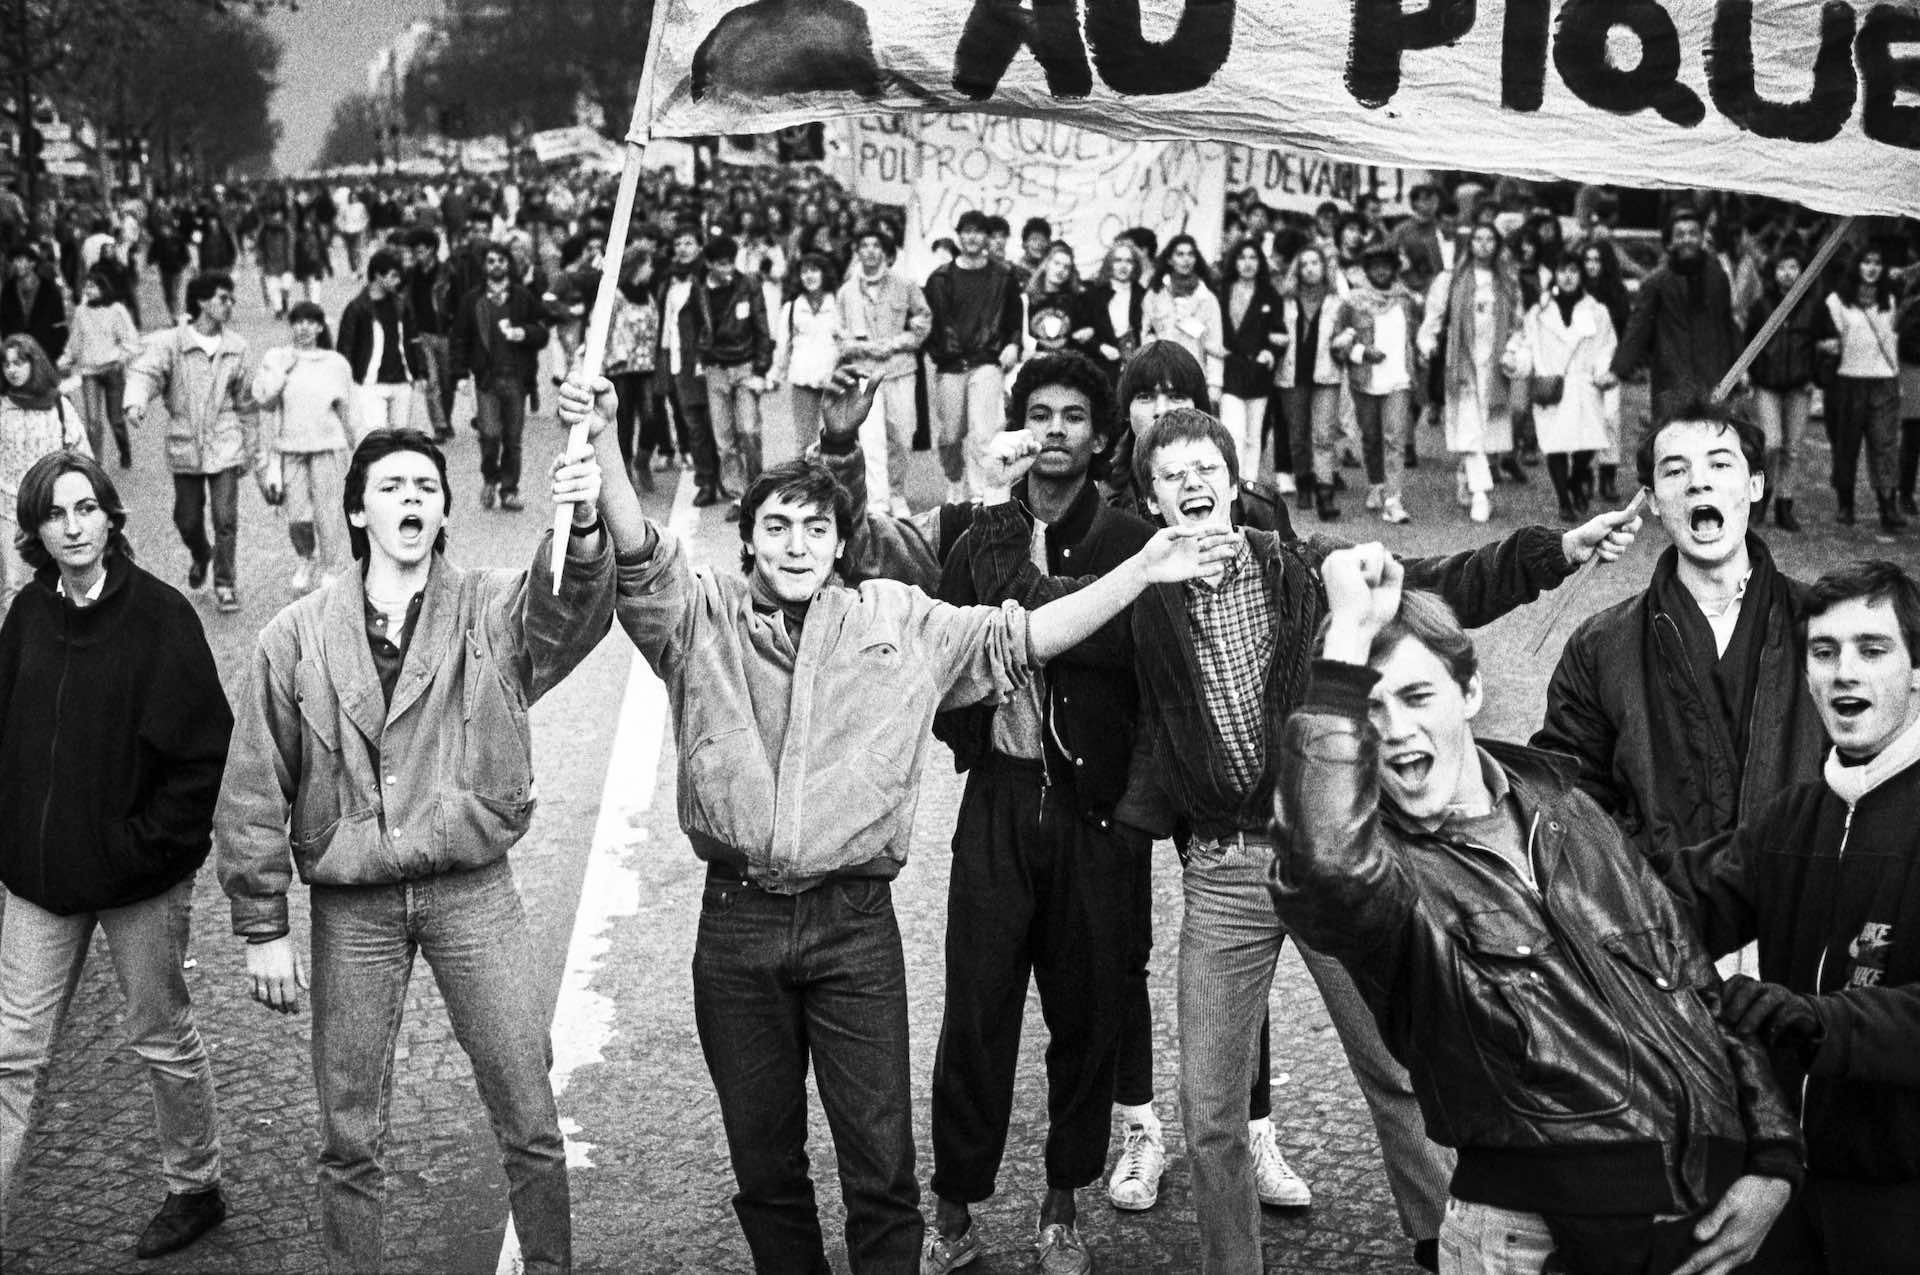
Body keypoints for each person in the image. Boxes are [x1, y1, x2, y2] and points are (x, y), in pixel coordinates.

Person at [557, 366, 1232, 1275]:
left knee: (881, 1175)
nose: (797, 544)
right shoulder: (700, 619)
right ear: (747, 542)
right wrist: (603, 435)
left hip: (856, 930)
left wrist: (1144, 569)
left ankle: (1005, 1216)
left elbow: (1022, 636)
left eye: (816, 528)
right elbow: (639, 553)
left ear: (843, 544)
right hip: (738, 928)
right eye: (775, 527)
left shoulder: (901, 620)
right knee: (767, 1170)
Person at [1003, 407, 1644, 1274]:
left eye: (1206, 467)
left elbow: (1435, 583)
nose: (1193, 482)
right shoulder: (1139, 596)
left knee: (1399, 1068)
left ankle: (1440, 1245)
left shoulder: (1300, 570)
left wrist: (1554, 550)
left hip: (1332, 853)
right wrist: (1002, 500)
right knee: (1210, 1109)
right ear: (1152, 500)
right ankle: (1234, 1267)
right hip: (1223, 870)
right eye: (1172, 474)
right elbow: (1038, 617)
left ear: (1234, 480)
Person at [1269, 563, 1803, 1275]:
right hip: (1529, 1240)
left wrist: (1772, 1155)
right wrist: (1343, 644)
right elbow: (1324, 862)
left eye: (1417, 695)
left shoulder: (1569, 810)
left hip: (1688, 1223)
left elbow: (1693, 983)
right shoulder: (1386, 875)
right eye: (1367, 710)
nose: (1394, 730)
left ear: (1470, 692)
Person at [215, 427, 616, 1275]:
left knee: (529, 1110)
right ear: (359, 511)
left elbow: (570, 606)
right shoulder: (292, 636)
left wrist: (581, 522)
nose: (411, 498)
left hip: (473, 890)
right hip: (352, 905)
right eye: (392, 486)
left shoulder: (492, 608)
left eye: (426, 487)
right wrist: (262, 924)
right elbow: (253, 783)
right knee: (348, 1134)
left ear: (442, 512)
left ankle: (551, 1265)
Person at [0, 451, 231, 1259]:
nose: (73, 527)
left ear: (109, 517)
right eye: (55, 514)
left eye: (86, 508)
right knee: (10, 1053)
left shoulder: (161, 616)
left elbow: (202, 756)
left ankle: (195, 1185)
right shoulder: (27, 615)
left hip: (139, 879)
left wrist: (141, 848)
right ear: (35, 531)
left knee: (160, 1035)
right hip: (40, 880)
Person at [1662, 560, 1920, 1274]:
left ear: (1917, 671)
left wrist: (1813, 1021)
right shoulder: (1792, 817)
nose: (1845, 672)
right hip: (1786, 1187)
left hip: (1902, 1201)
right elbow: (1664, 909)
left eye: (1873, 649)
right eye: (1824, 651)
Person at [1533, 404, 1826, 869]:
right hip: (1658, 907)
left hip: (1798, 902)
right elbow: (1565, 800)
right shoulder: (1601, 646)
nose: (1697, 482)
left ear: (1756, 485)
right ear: (1651, 500)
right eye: (1675, 471)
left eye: (1719, 464)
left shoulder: (1824, 628)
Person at [124, 271, 261, 615]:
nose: (229, 305)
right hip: (185, 442)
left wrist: (250, 447)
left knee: (225, 518)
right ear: (201, 301)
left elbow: (246, 403)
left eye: (231, 299)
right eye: (222, 298)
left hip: (225, 440)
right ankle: (202, 554)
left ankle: (225, 583)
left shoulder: (237, 347)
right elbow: (146, 373)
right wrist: (136, 402)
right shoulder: (172, 342)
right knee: (186, 519)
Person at [1420, 223, 1523, 525]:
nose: (1484, 244)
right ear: (1469, 244)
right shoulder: (1451, 279)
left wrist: (1512, 351)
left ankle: (1466, 474)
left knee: (1485, 433)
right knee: (1470, 429)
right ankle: (1481, 494)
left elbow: (1518, 325)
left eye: (1490, 239)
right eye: (1478, 238)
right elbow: (1434, 316)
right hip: (1462, 362)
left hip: (1494, 365)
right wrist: (1427, 343)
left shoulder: (1507, 282)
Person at [1606, 206, 1740, 434]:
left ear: (1701, 238)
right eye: (1680, 234)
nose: (1687, 239)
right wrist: (1617, 370)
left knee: (1713, 440)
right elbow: (1638, 328)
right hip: (1671, 382)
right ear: (1670, 242)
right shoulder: (1656, 282)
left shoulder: (1718, 278)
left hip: (1713, 379)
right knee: (1674, 443)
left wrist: (1740, 368)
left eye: (1693, 233)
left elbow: (1727, 324)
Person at [251, 300, 354, 593]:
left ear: (320, 327)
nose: (303, 328)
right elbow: (264, 400)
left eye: (310, 322)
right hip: (290, 449)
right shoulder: (276, 357)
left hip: (328, 446)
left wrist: (359, 447)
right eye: (297, 322)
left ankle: (331, 567)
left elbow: (347, 410)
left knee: (328, 512)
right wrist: (281, 372)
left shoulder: (335, 363)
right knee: (298, 516)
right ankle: (306, 558)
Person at [924, 210, 1023, 501]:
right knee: (951, 435)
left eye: (978, 231)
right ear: (958, 235)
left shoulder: (1003, 276)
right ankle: (955, 483)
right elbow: (928, 321)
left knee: (984, 434)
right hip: (951, 364)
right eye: (966, 231)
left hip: (987, 361)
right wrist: (938, 352)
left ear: (987, 237)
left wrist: (1012, 344)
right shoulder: (940, 278)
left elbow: (1015, 318)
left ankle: (981, 495)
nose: (972, 237)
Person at [836, 224, 930, 517]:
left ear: (886, 252)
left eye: (876, 246)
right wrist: (863, 347)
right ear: (857, 251)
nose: (870, 252)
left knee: (902, 435)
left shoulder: (905, 284)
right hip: (865, 373)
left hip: (900, 370)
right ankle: (878, 500)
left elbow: (923, 320)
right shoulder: (846, 292)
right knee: (871, 439)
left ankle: (897, 493)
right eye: (864, 246)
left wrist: (897, 343)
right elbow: (839, 335)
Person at [449, 239, 550, 512]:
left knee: (513, 440)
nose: (496, 265)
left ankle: (509, 490)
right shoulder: (473, 300)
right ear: (484, 266)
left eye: (501, 261)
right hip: (487, 380)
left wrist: (524, 333)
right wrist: (460, 374)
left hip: (517, 379)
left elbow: (542, 331)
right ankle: (490, 477)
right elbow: (459, 338)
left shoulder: (522, 297)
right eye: (491, 261)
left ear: (508, 264)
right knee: (489, 435)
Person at [1524, 254, 1619, 521]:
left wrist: (1602, 372)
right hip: (1551, 384)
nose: (1567, 276)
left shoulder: (1597, 311)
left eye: (1573, 271)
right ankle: (1564, 500)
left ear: (1581, 275)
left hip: (1584, 384)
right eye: (1562, 270)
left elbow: (1606, 345)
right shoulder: (1540, 311)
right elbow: (1527, 342)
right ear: (1554, 274)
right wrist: (1519, 362)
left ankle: (1577, 478)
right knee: (1554, 444)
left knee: (1587, 443)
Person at [1331, 243, 1420, 524]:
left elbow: (1415, 335)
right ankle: (1376, 483)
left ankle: (1393, 499)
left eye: (1386, 266)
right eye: (1375, 266)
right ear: (1367, 270)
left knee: (1395, 438)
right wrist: (1362, 352)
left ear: (1394, 269)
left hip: (1399, 379)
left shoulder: (1405, 299)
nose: (1381, 271)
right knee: (1371, 436)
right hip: (1365, 379)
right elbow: (1337, 342)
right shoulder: (1353, 301)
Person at [0, 335, 89, 617]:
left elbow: (81, 453)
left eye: (19, 362)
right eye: (6, 364)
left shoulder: (58, 405)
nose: (12, 370)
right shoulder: (2, 407)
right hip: (9, 508)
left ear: (34, 362)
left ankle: (63, 635)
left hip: (53, 508)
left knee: (61, 580)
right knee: (13, 585)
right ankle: (17, 640)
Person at [1818, 248, 1905, 531]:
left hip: (1883, 380)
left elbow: (1893, 339)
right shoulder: (1836, 301)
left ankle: (1887, 505)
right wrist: (1828, 347)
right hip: (1848, 380)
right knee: (1846, 446)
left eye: (1877, 262)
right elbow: (1824, 337)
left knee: (1884, 445)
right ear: (1857, 265)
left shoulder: (1889, 300)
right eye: (1866, 262)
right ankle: (1846, 504)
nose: (1871, 268)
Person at [693, 234, 774, 517]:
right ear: (709, 264)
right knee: (724, 439)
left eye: (730, 262)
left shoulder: (748, 285)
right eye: (721, 264)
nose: (727, 269)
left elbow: (762, 327)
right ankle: (739, 495)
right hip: (715, 368)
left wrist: (761, 369)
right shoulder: (700, 289)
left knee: (749, 431)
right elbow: (696, 326)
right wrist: (700, 357)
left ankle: (757, 489)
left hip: (745, 365)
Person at [1739, 246, 1819, 533]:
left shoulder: (1812, 306)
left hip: (1799, 385)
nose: (1788, 273)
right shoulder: (1762, 306)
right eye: (1782, 267)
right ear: (1773, 272)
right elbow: (1748, 341)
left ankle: (1785, 505)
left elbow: (1823, 344)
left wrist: (1816, 376)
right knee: (1771, 443)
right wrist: (1748, 373)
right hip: (1767, 383)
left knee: (1791, 448)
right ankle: (1763, 496)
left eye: (1793, 267)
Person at [1275, 244, 1345, 522]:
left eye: (1315, 263)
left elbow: (1345, 330)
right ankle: (1303, 481)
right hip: (1292, 374)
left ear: (1324, 267)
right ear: (1298, 270)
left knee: (1324, 435)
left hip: (1326, 373)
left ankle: (1325, 495)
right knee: (1297, 435)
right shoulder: (1286, 300)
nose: (1310, 269)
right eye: (1304, 264)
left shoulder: (1337, 301)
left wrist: (1345, 339)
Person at [1216, 238, 1285, 487]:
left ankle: (1250, 485)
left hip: (1258, 372)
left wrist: (1271, 352)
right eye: (1242, 257)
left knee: (1254, 436)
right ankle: (1231, 483)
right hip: (1230, 368)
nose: (1247, 263)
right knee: (1233, 432)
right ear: (1234, 262)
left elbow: (1280, 334)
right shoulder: (1221, 291)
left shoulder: (1270, 295)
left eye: (1253, 257)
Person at [57, 269, 141, 469]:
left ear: (103, 288)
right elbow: (75, 342)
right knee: (93, 421)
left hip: (112, 369)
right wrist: (63, 362)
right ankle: (95, 462)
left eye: (93, 286)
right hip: (89, 372)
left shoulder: (116, 310)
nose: (89, 291)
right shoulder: (81, 312)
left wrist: (122, 357)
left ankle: (124, 451)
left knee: (116, 419)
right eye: (86, 287)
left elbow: (130, 339)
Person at [336, 249, 421, 440]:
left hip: (402, 381)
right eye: (393, 276)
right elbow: (345, 347)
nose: (397, 281)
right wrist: (347, 383)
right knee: (377, 440)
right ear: (377, 275)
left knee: (401, 440)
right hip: (370, 384)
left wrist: (419, 372)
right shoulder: (356, 308)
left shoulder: (401, 305)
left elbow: (412, 339)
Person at [605, 244, 668, 489]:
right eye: (649, 264)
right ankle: (626, 469)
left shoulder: (649, 296)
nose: (652, 270)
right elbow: (605, 329)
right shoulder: (616, 296)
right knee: (624, 421)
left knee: (652, 417)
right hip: (621, 368)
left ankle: (642, 460)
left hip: (647, 367)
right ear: (638, 266)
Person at [769, 252, 842, 454]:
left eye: (814, 270)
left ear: (824, 273)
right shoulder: (791, 308)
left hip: (834, 380)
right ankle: (807, 475)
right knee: (805, 442)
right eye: (804, 272)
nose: (809, 276)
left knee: (838, 439)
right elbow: (783, 347)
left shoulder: (838, 304)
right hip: (802, 379)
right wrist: (774, 375)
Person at [1142, 234, 1225, 396]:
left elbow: (1214, 344)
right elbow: (1145, 334)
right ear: (1169, 260)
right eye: (1180, 254)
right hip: (1159, 377)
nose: (1186, 259)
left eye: (1190, 254)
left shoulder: (1207, 298)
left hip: (1195, 376)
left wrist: (1215, 385)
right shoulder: (1155, 294)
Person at [1069, 238, 1146, 386]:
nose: (1123, 266)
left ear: (1135, 266)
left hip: (1136, 370)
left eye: (1129, 261)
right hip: (1100, 369)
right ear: (1110, 264)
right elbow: (1077, 334)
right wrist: (1100, 347)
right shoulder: (1093, 295)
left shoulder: (1143, 295)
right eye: (1118, 260)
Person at [405, 227, 457, 442]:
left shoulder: (448, 272)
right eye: (415, 251)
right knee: (432, 381)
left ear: (432, 249)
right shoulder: (410, 275)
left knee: (448, 382)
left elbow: (459, 301)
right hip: (423, 334)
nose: (418, 255)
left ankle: (446, 419)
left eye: (422, 250)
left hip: (446, 333)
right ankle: (439, 426)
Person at [1, 242, 68, 365]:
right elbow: (4, 322)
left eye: (20, 260)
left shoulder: (48, 290)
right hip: (17, 355)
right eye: (14, 261)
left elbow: (59, 326)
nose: (16, 264)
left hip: (45, 352)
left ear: (32, 263)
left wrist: (53, 354)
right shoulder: (8, 290)